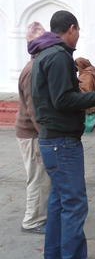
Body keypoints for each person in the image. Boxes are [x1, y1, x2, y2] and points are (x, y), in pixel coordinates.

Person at [30, 10, 95, 259]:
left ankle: (55, 257)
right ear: (71, 29)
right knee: (74, 206)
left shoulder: (43, 54)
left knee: (59, 201)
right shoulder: (57, 56)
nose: (78, 35)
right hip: (61, 142)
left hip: (52, 139)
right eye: (78, 30)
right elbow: (63, 99)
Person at [15, 21, 51, 235]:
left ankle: (41, 215)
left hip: (32, 132)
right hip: (31, 133)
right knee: (37, 177)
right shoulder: (32, 71)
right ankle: (33, 220)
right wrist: (45, 135)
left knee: (42, 176)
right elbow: (34, 109)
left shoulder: (36, 66)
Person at [75, 57, 95, 133]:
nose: (77, 68)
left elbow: (86, 89)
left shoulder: (86, 75)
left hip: (90, 101)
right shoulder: (90, 70)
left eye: (77, 66)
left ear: (81, 65)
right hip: (94, 98)